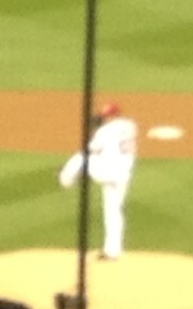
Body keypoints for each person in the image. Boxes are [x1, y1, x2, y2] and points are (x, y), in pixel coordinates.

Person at [58, 102, 138, 260]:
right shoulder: (130, 125)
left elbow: (92, 149)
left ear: (113, 116)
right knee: (113, 211)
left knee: (81, 157)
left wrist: (95, 131)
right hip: (122, 175)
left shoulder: (105, 130)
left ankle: (64, 179)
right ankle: (112, 251)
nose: (104, 118)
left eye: (106, 116)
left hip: (106, 171)